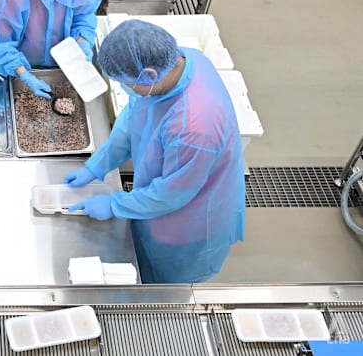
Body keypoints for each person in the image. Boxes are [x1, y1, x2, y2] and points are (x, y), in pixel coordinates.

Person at [63, 20, 245, 284]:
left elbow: (171, 194)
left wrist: (114, 204)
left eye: (127, 83)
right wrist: (98, 164)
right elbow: (133, 117)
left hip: (187, 223)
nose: (126, 88)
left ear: (149, 75)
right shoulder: (179, 61)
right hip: (164, 192)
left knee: (165, 285)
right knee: (142, 254)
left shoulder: (195, 127)